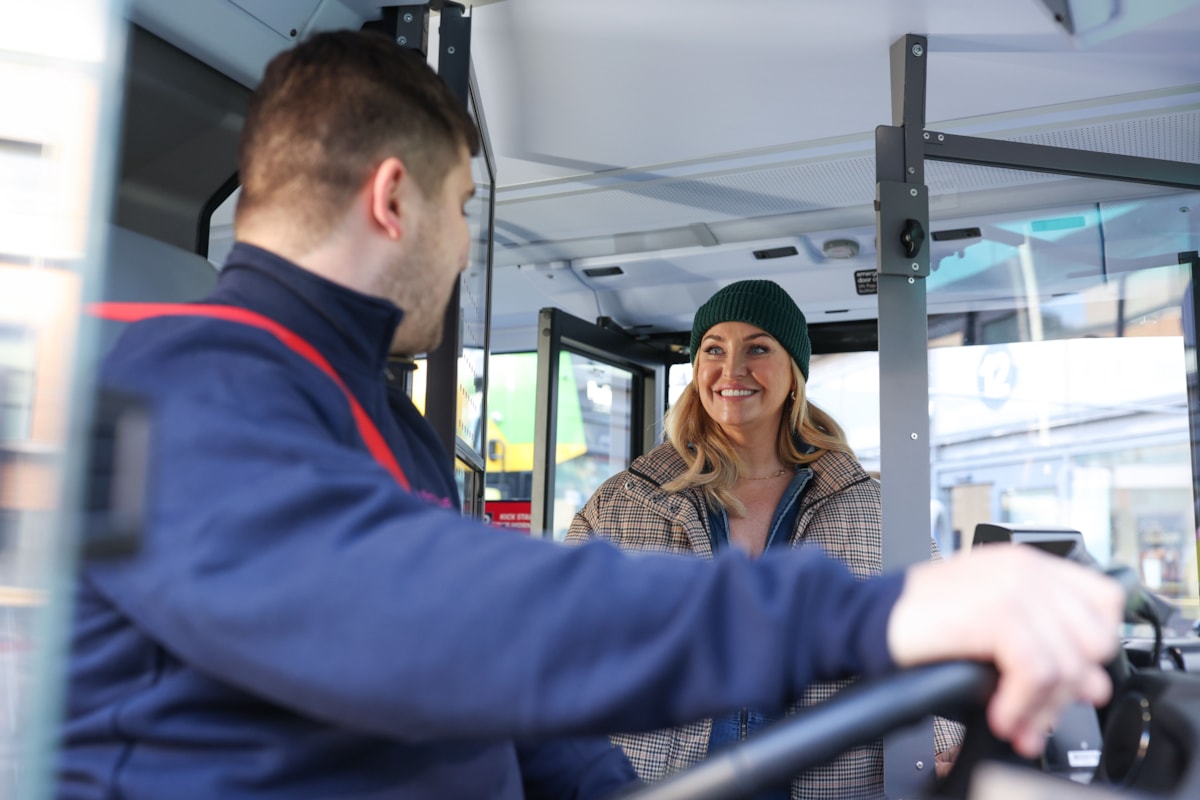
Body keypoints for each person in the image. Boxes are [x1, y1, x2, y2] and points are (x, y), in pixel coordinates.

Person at [59, 28, 1124, 800]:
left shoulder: (376, 414)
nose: (468, 242)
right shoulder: (188, 386)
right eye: (467, 207)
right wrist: (871, 616)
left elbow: (490, 699)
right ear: (393, 198)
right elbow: (442, 617)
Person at [567, 279, 960, 799]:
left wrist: (940, 746)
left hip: (832, 782)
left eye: (757, 348)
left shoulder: (872, 507)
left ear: (793, 374)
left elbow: (938, 636)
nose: (732, 370)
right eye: (713, 349)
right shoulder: (623, 503)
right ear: (695, 371)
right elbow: (567, 650)